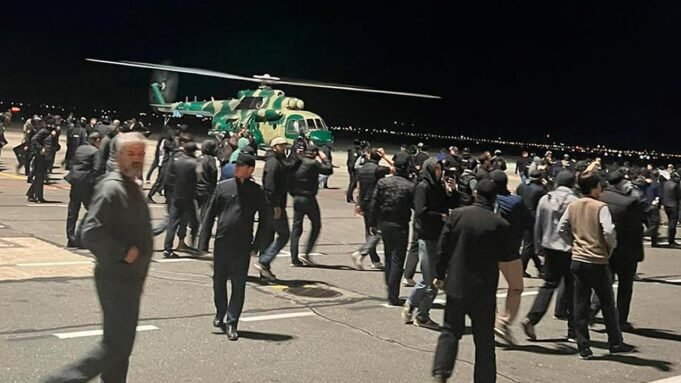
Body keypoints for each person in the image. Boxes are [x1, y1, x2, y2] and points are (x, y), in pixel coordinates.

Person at [41, 132, 152, 383]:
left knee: (120, 346)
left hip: (129, 279)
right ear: (118, 155)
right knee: (115, 347)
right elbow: (89, 233)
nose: (137, 159)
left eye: (141, 154)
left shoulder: (129, 185)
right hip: (117, 278)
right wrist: (125, 252)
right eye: (131, 153)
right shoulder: (112, 188)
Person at [431, 180, 514, 382]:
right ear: (495, 198)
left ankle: (441, 373)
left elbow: (443, 248)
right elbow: (507, 256)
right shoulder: (499, 223)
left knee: (450, 331)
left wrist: (439, 274)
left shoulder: (458, 215)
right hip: (483, 289)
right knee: (485, 341)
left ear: (476, 194)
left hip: (457, 284)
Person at [558, 171, 635, 359]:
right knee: (607, 303)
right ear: (594, 187)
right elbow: (608, 232)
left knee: (580, 304)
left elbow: (561, 228)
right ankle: (615, 342)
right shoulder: (600, 207)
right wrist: (609, 247)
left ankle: (583, 346)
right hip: (597, 260)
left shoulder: (573, 205)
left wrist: (573, 243)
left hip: (578, 259)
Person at [199, 153, 272, 341]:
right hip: (223, 241)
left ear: (250, 170)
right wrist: (204, 240)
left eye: (241, 166)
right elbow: (209, 214)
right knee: (218, 281)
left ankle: (232, 322)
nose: (237, 168)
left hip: (243, 244)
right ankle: (220, 311)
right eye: (236, 165)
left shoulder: (256, 191)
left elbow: (266, 219)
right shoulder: (223, 187)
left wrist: (257, 244)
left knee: (239, 285)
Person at [521, 170, 578, 342]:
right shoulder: (575, 201)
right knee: (573, 287)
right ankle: (573, 330)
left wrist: (538, 246)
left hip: (549, 246)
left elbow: (538, 224)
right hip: (569, 248)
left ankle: (532, 317)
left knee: (548, 285)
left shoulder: (546, 199)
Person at [403, 159, 458, 330]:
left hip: (440, 237)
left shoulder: (439, 186)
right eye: (436, 169)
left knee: (435, 278)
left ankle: (419, 312)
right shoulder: (423, 187)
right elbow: (420, 211)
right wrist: (441, 216)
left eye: (440, 169)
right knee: (430, 279)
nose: (439, 172)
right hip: (426, 236)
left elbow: (453, 204)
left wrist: (452, 191)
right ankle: (416, 308)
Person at [598, 168, 645, 331]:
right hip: (626, 251)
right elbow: (636, 229)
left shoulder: (601, 197)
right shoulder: (630, 202)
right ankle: (620, 320)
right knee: (625, 288)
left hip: (606, 248)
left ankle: (593, 310)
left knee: (604, 283)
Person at [367, 153, 415, 306]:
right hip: (400, 224)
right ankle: (393, 295)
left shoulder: (383, 183)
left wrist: (372, 223)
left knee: (389, 256)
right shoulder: (409, 185)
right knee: (397, 260)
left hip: (384, 223)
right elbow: (416, 206)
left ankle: (390, 287)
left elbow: (374, 203)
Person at [490, 170, 532, 345]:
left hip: (488, 251)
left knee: (487, 289)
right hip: (509, 251)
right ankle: (504, 321)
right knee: (515, 288)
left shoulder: (487, 200)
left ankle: (490, 320)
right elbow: (529, 222)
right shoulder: (515, 202)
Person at [256, 137, 296, 281]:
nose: (284, 148)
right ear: (274, 147)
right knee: (284, 234)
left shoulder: (277, 161)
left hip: (271, 205)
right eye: (281, 146)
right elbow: (270, 186)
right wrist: (276, 206)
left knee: (267, 237)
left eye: (285, 146)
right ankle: (264, 261)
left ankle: (264, 272)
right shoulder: (273, 163)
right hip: (273, 205)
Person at [288, 145, 333, 266]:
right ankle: (307, 253)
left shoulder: (297, 162)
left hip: (296, 197)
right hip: (308, 198)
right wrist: (324, 158)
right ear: (314, 153)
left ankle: (294, 258)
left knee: (296, 228)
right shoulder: (313, 163)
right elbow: (329, 170)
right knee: (316, 225)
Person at [352, 148, 392, 269]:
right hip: (376, 203)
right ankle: (361, 253)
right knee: (379, 231)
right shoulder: (378, 169)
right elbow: (396, 168)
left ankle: (375, 260)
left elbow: (359, 187)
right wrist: (385, 157)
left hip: (364, 202)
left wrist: (358, 204)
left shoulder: (362, 168)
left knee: (369, 231)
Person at [64, 132, 102, 248]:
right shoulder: (95, 152)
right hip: (86, 183)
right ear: (96, 140)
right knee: (92, 211)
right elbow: (96, 169)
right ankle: (82, 237)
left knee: (72, 211)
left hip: (74, 181)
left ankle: (70, 237)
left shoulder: (80, 148)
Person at [163, 142, 199, 257]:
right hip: (189, 197)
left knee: (172, 223)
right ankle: (193, 245)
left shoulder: (177, 161)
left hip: (176, 195)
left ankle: (167, 248)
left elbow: (171, 176)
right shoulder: (195, 163)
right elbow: (199, 177)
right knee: (195, 222)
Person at [520, 169, 547, 277]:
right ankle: (521, 268)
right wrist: (545, 186)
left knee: (530, 244)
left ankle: (540, 268)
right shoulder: (540, 190)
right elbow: (546, 200)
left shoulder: (521, 186)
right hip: (532, 218)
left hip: (521, 215)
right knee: (529, 245)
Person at [26, 121, 54, 203]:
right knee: (39, 178)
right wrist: (40, 148)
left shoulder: (51, 132)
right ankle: (38, 196)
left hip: (46, 157)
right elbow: (34, 139)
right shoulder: (44, 131)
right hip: (40, 157)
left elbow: (50, 144)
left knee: (39, 177)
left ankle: (31, 194)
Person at [197, 139, 219, 223]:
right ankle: (200, 227)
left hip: (196, 186)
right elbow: (213, 172)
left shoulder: (198, 158)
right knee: (205, 210)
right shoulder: (210, 159)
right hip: (206, 188)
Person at [662, 171, 681, 247]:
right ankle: (671, 241)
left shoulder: (665, 184)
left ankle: (670, 239)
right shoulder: (676, 185)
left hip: (666, 205)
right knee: (673, 224)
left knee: (670, 223)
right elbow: (679, 196)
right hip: (673, 205)